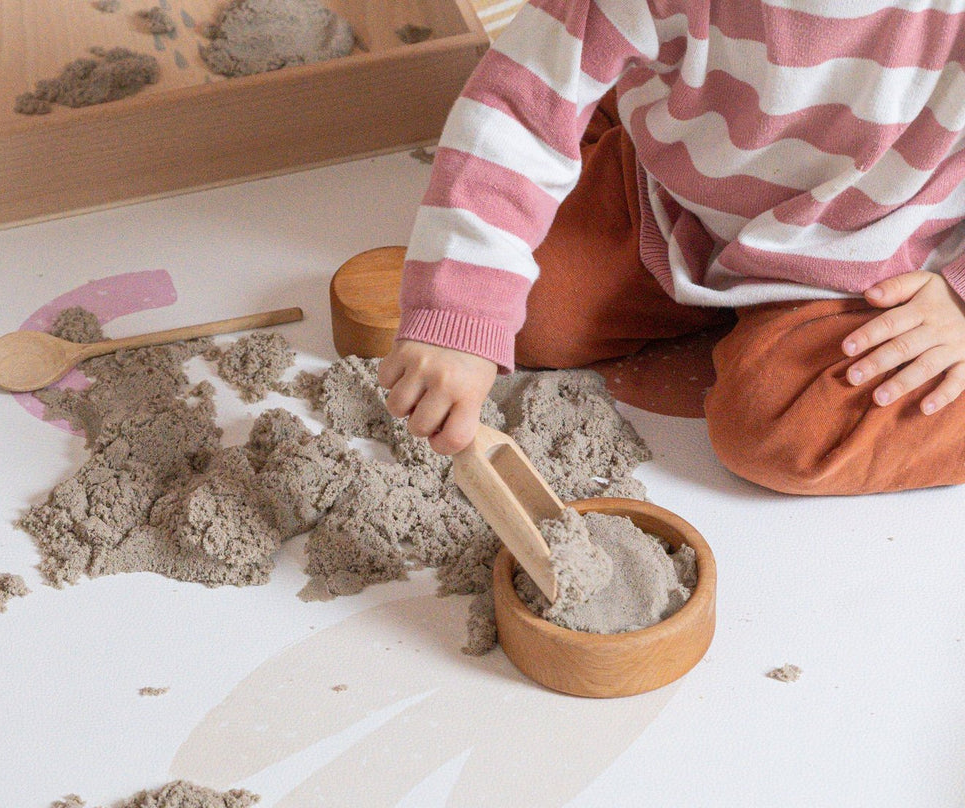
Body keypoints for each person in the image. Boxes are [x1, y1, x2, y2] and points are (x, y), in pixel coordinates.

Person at [377, 1, 965, 495]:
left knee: (781, 432)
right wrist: (459, 311)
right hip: (685, 191)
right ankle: (615, 94)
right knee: (535, 319)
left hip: (884, 245)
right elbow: (519, 108)